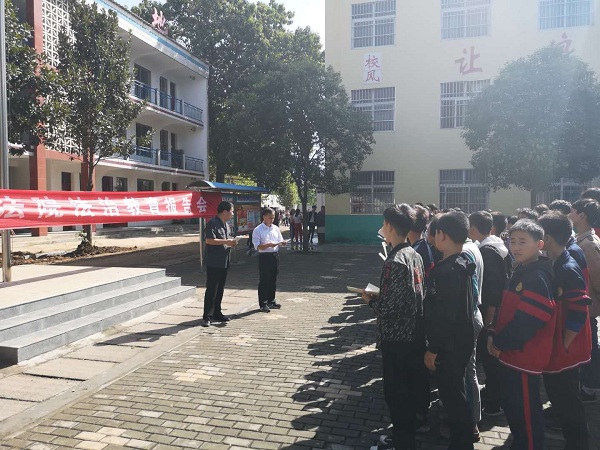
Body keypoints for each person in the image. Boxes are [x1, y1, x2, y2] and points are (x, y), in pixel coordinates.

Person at [362, 204, 426, 450]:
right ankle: (404, 438)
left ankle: (402, 442)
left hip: (397, 338)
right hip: (413, 334)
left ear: (389, 226)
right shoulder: (414, 255)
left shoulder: (395, 260)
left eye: (384, 223)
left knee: (397, 394)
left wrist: (371, 301)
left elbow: (390, 308)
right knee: (408, 391)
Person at [488, 220, 556, 450]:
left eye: (523, 242)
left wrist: (500, 342)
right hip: (512, 354)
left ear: (539, 244)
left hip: (525, 356)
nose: (516, 247)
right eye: (513, 241)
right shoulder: (521, 269)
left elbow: (530, 320)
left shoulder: (537, 277)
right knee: (514, 407)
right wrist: (494, 334)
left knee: (526, 411)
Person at [538, 212, 591, 450]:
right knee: (559, 397)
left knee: (568, 401)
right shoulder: (553, 262)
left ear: (547, 238)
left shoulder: (568, 268)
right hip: (558, 347)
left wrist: (564, 344)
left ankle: (578, 444)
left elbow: (579, 311)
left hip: (567, 349)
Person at [424, 211, 476, 450]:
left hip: (450, 346)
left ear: (441, 235)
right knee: (457, 392)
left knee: (453, 397)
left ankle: (461, 443)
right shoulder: (462, 261)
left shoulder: (446, 271)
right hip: (462, 341)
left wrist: (433, 349)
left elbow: (444, 316)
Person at [468, 211, 509, 417]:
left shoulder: (488, 251)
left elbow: (493, 290)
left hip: (491, 314)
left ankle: (495, 402)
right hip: (494, 312)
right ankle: (493, 392)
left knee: (490, 357)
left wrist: (489, 320)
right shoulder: (494, 245)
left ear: (474, 228)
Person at [570, 198, 600, 401]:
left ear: (582, 215)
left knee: (590, 348)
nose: (570, 215)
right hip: (584, 305)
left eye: (572, 211)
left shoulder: (588, 244)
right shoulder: (581, 240)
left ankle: (591, 387)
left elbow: (597, 279)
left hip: (588, 306)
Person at [202, 201, 238, 327]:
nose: (232, 214)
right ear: (225, 211)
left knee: (220, 289)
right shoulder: (212, 223)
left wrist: (232, 242)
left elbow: (226, 241)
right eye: (231, 211)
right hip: (214, 262)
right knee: (212, 289)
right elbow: (209, 240)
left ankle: (217, 313)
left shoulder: (226, 225)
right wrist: (226, 241)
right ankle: (207, 316)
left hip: (224, 261)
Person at [253, 208, 286, 312]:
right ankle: (263, 303)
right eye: (270, 217)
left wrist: (282, 243)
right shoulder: (258, 230)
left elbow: (280, 240)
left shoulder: (275, 228)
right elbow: (257, 246)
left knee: (273, 279)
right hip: (264, 257)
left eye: (273, 217)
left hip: (274, 255)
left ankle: (271, 300)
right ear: (264, 217)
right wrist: (268, 245)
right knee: (264, 280)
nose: (272, 220)